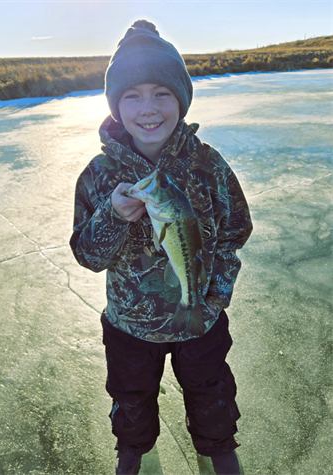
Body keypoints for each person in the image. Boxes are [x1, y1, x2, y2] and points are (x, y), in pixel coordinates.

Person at [70, 19, 252, 475]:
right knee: (132, 414)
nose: (147, 108)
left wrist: (212, 300)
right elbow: (88, 257)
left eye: (161, 94)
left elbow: (234, 234)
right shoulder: (98, 175)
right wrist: (112, 216)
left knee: (212, 408)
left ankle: (217, 453)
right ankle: (137, 456)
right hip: (130, 328)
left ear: (180, 100)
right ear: (115, 105)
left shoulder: (208, 165)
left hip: (201, 323)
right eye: (132, 95)